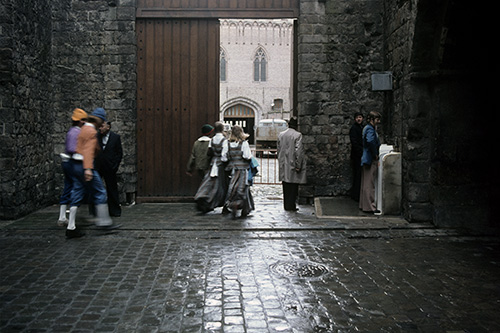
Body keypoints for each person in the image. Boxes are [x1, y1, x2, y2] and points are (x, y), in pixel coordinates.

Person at [66, 108, 119, 238]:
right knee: (100, 192)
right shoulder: (91, 131)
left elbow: (80, 148)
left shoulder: (83, 129)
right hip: (85, 165)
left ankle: (71, 227)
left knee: (77, 193)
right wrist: (88, 168)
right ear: (98, 120)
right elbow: (88, 151)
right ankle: (104, 223)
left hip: (76, 165)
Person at [57, 108, 88, 226]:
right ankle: (70, 222)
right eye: (84, 120)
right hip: (72, 162)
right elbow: (71, 148)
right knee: (76, 187)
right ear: (80, 121)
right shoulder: (75, 132)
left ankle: (62, 216)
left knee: (68, 186)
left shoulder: (71, 131)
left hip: (68, 162)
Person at [194, 122, 229, 213]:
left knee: (209, 181)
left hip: (213, 162)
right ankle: (221, 203)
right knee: (222, 184)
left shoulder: (212, 139)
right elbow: (224, 155)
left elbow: (209, 152)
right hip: (221, 164)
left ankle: (204, 197)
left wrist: (214, 154)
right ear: (222, 129)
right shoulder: (224, 140)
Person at [222, 125, 255, 219]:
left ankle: (232, 204)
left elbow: (223, 158)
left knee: (232, 187)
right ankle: (240, 206)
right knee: (242, 187)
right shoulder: (244, 143)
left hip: (231, 169)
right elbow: (247, 156)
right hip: (242, 169)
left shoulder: (226, 143)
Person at [277, 117, 307, 211]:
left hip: (283, 163)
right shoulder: (297, 135)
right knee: (293, 185)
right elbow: (299, 151)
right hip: (292, 163)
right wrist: (298, 165)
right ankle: (291, 205)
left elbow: (278, 150)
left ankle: (286, 205)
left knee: (285, 185)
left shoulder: (281, 135)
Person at [95, 121, 123, 217]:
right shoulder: (96, 137)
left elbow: (119, 153)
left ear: (108, 127)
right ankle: (96, 212)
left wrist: (115, 165)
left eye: (102, 126)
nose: (100, 128)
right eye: (99, 126)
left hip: (110, 167)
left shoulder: (115, 138)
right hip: (98, 167)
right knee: (96, 189)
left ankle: (114, 210)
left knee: (112, 189)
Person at [359, 111, 382, 214]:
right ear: (372, 119)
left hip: (366, 157)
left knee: (366, 182)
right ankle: (370, 206)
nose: (378, 121)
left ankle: (364, 204)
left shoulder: (367, 128)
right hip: (369, 158)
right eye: (377, 119)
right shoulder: (370, 129)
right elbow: (370, 141)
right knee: (369, 183)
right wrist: (375, 154)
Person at [349, 112, 364, 202]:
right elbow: (354, 142)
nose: (359, 119)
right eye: (357, 117)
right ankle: (356, 195)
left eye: (360, 117)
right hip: (357, 156)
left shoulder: (360, 127)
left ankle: (357, 194)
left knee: (358, 175)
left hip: (358, 155)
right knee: (357, 175)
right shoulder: (354, 128)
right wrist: (361, 151)